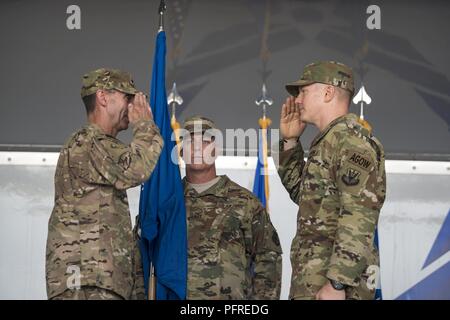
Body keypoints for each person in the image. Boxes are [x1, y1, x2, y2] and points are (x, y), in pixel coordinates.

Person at [46, 68, 163, 300]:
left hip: (98, 280)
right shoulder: (87, 141)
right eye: (127, 98)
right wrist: (145, 125)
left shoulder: (100, 145)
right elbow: (136, 168)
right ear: (102, 97)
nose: (132, 107)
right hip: (85, 281)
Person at [278, 61, 386, 300]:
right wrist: (289, 142)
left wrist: (337, 284)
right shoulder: (328, 141)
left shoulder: (351, 143)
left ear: (327, 93)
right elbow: (304, 195)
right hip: (312, 282)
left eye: (303, 91)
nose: (297, 100)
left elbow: (359, 216)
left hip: (336, 289)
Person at [181, 116, 282, 299]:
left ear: (217, 149)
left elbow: (268, 259)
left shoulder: (245, 202)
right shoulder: (166, 204)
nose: (197, 148)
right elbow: (141, 259)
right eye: (190, 141)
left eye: (205, 141)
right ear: (180, 151)